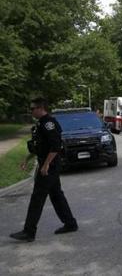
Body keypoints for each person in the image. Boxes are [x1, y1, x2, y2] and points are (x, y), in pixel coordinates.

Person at [10, 98, 78, 242]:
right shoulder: (40, 123)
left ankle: (29, 232)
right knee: (56, 195)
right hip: (47, 164)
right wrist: (27, 159)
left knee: (37, 197)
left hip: (50, 166)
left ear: (41, 108)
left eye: (32, 108)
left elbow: (56, 146)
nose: (31, 111)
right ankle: (70, 223)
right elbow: (40, 147)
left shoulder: (49, 123)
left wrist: (46, 165)